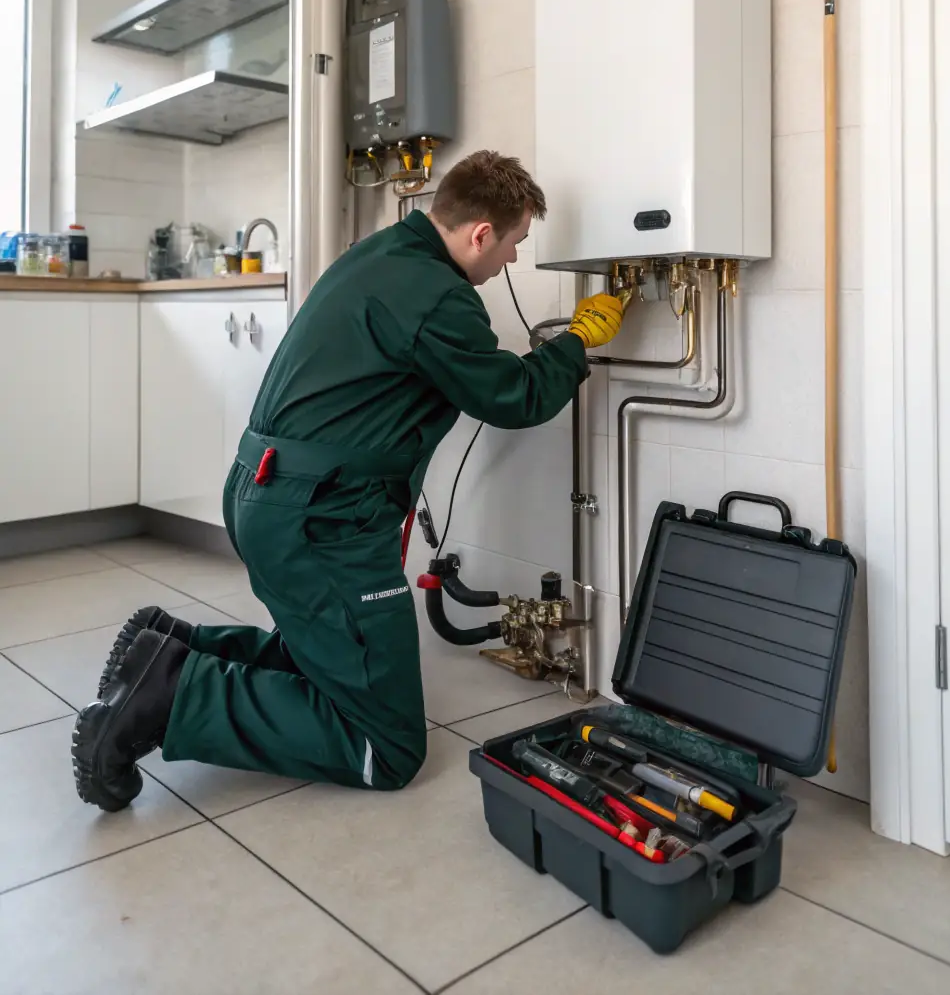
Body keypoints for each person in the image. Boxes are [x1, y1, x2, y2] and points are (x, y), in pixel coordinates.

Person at [72, 150, 625, 811]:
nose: (511, 259)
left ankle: (169, 647)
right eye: (514, 244)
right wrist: (576, 342)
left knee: (330, 658)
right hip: (321, 521)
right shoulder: (437, 295)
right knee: (384, 744)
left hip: (266, 494)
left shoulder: (381, 255)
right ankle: (169, 694)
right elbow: (514, 397)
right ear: (482, 234)